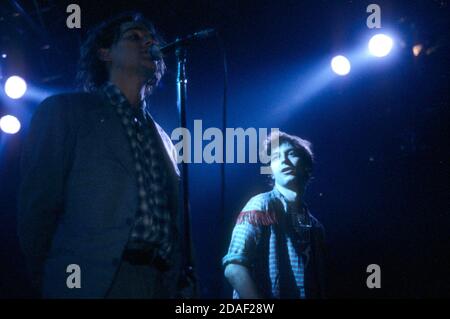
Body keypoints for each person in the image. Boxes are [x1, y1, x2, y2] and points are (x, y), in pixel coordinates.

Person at [17, 12, 196, 298]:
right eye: (134, 37)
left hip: (158, 282)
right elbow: (37, 208)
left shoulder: (165, 138)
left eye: (150, 39)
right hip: (93, 281)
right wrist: (51, 279)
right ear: (104, 53)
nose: (147, 43)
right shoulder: (66, 112)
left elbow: (174, 224)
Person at [223, 131, 326, 299]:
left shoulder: (316, 228)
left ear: (306, 166)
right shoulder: (260, 205)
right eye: (276, 157)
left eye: (291, 154)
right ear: (271, 170)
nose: (284, 160)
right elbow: (234, 268)